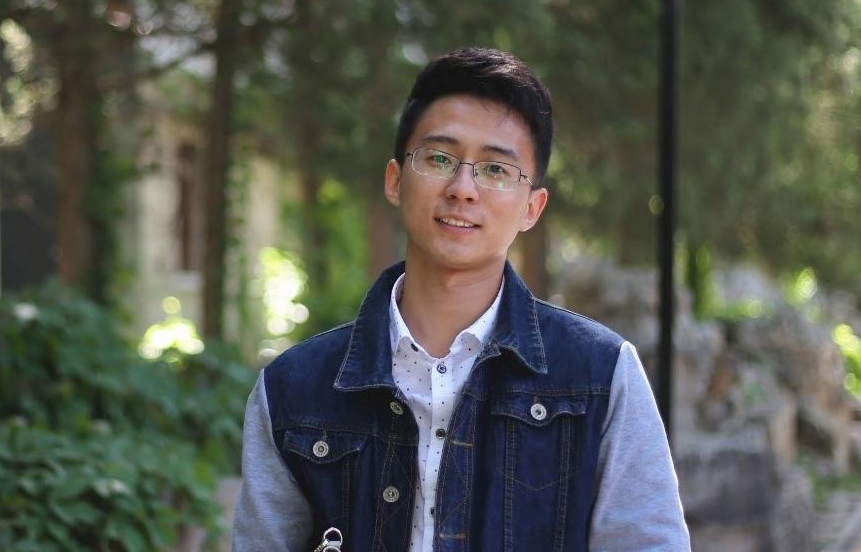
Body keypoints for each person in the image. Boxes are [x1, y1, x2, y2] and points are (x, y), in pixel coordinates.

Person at [233, 47, 690, 551]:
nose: (463, 188)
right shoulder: (293, 392)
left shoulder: (601, 375)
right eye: (439, 159)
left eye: (496, 169)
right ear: (395, 180)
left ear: (532, 208)